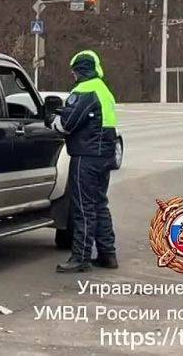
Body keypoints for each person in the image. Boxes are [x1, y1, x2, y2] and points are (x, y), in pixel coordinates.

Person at [51, 50, 119, 273]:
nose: (73, 77)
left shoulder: (84, 90)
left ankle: (80, 257)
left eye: (74, 72)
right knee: (100, 204)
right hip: (104, 156)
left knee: (83, 207)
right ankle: (108, 254)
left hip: (85, 157)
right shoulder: (104, 90)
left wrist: (52, 120)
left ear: (79, 70)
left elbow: (67, 124)